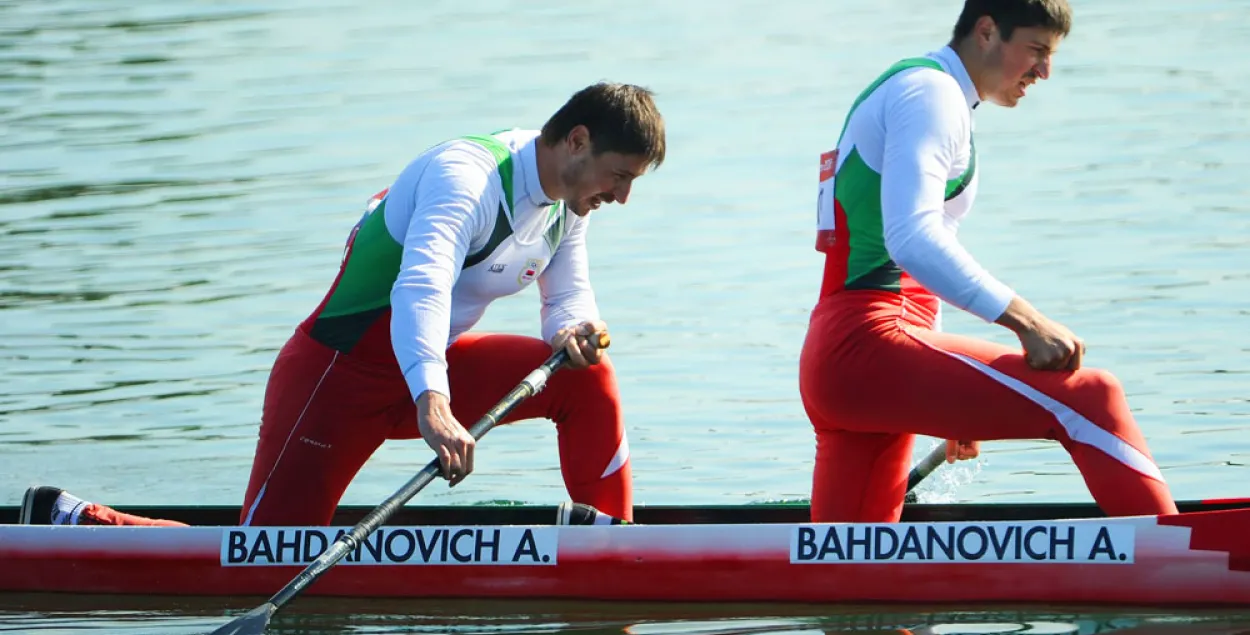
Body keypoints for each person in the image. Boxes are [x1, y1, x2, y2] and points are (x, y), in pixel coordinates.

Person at [20, 81, 665, 528]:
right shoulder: (466, 175)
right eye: (622, 177)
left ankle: (618, 545)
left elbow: (567, 297)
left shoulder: (567, 200)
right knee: (267, 556)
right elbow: (422, 285)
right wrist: (432, 402)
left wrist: (573, 330)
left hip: (427, 366)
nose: (623, 197)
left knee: (586, 378)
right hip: (337, 377)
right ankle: (82, 519)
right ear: (577, 140)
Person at [799, 0, 1179, 523]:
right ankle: (1186, 552)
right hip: (871, 344)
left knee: (847, 569)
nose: (1045, 71)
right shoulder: (931, 94)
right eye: (1036, 50)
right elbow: (912, 238)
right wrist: (1029, 322)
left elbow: (913, 263)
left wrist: (946, 392)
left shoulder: (924, 91)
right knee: (1092, 397)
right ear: (986, 31)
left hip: (851, 363)